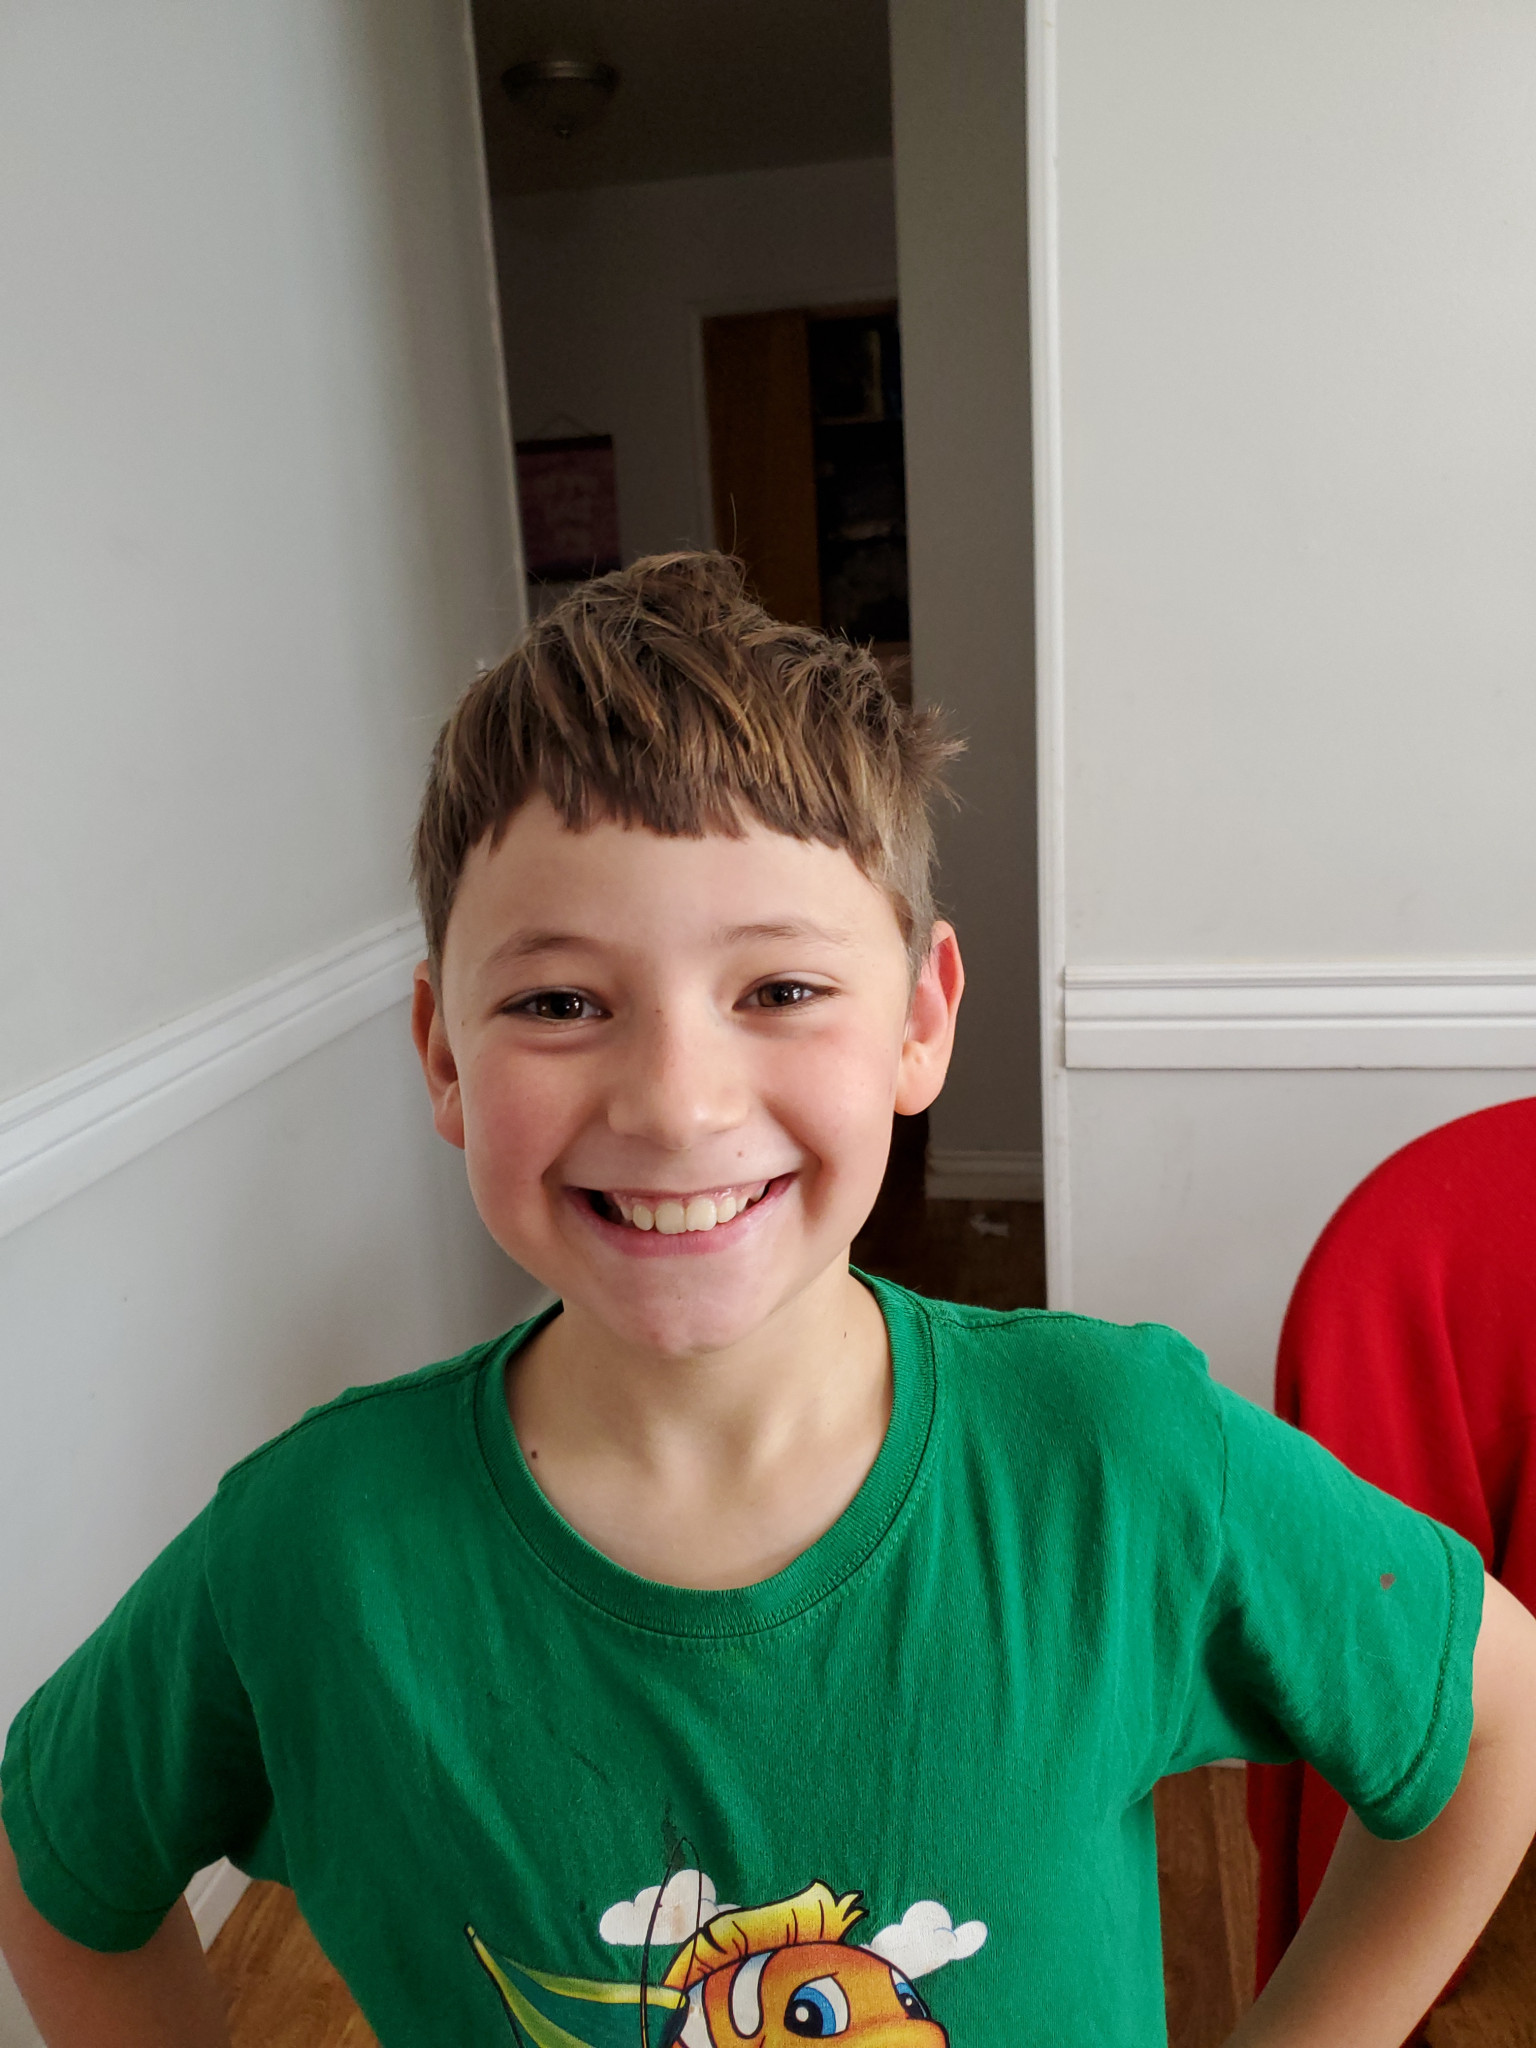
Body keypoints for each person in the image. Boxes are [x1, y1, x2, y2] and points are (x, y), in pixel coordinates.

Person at [2, 552, 1534, 2048]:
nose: (677, 1104)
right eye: (558, 1002)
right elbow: (52, 1864)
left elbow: (1496, 1719)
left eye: (780, 991)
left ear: (919, 1020)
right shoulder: (308, 1551)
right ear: (444, 1054)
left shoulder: (1114, 1461)